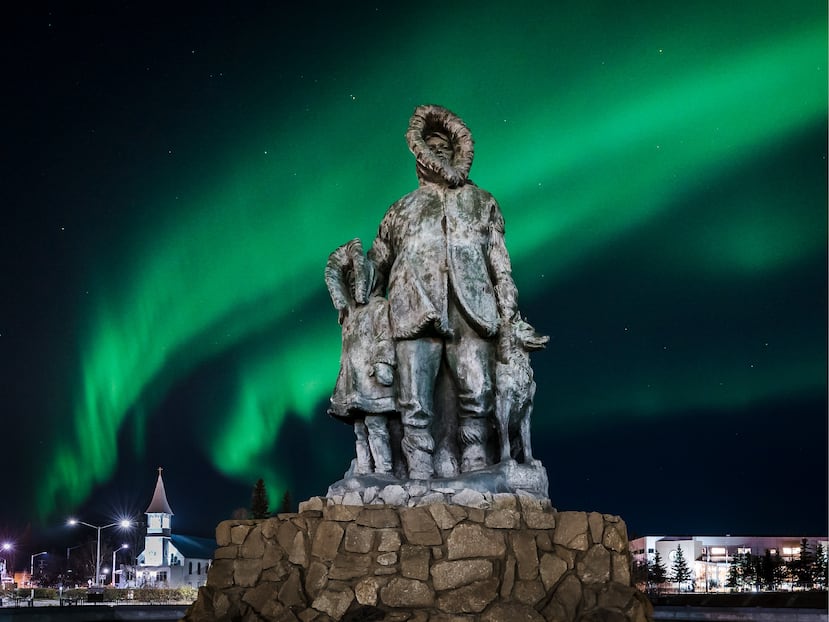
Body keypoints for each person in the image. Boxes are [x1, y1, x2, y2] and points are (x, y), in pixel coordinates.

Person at [367, 105, 518, 479]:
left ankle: (475, 458)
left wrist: (508, 307)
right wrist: (356, 281)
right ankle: (418, 462)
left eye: (443, 146)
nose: (437, 152)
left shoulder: (482, 201)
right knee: (414, 394)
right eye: (430, 145)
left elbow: (498, 258)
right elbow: (378, 265)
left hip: (473, 307)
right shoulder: (400, 209)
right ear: (420, 154)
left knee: (478, 389)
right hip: (413, 306)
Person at [325, 239, 395, 475]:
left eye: (359, 279)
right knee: (359, 428)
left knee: (376, 424)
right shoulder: (349, 316)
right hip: (353, 381)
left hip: (372, 379)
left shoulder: (379, 307)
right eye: (351, 280)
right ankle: (365, 469)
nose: (355, 284)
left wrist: (383, 362)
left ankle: (384, 470)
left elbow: (384, 336)